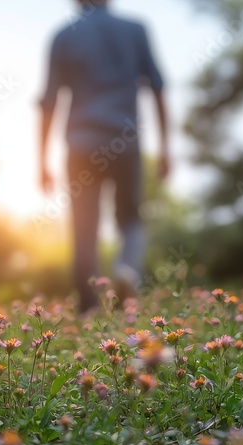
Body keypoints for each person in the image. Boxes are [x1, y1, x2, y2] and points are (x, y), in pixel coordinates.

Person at [39, 0, 171, 312]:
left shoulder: (63, 35)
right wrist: (166, 146)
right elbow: (158, 88)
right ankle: (126, 268)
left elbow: (48, 100)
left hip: (81, 143)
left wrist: (40, 159)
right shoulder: (135, 29)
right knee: (130, 218)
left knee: (84, 227)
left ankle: (89, 307)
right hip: (125, 139)